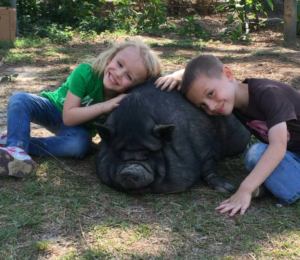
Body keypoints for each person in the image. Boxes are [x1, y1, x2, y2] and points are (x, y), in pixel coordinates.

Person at [0, 38, 161, 178]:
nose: (119, 74)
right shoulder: (86, 73)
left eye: (128, 76)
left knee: (79, 145)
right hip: (54, 109)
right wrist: (104, 106)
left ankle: (13, 141)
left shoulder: (123, 99)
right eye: (119, 64)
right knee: (20, 99)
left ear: (134, 86)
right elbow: (68, 117)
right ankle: (16, 149)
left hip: (78, 130)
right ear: (110, 58)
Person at [176, 54, 300, 216]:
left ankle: (282, 186)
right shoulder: (232, 101)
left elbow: (278, 146)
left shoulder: (268, 94)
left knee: (259, 154)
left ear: (228, 74)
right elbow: (200, 74)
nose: (211, 107)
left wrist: (245, 189)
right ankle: (279, 185)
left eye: (211, 94)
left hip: (285, 149)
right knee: (255, 156)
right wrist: (175, 76)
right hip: (294, 155)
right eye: (203, 105)